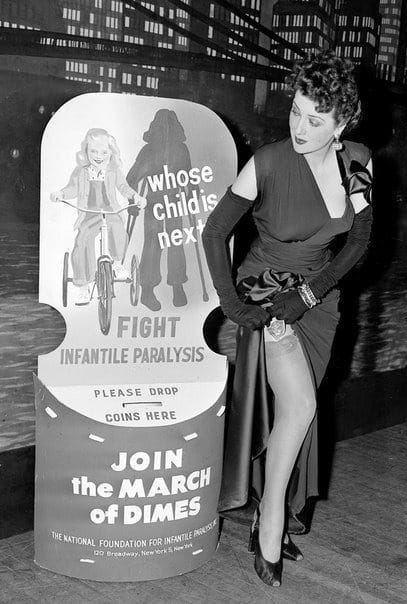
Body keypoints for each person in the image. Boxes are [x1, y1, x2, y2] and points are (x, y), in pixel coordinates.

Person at [202, 50, 373, 588]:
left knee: (296, 414)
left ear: (342, 124)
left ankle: (266, 508)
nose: (299, 127)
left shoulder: (359, 162)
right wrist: (233, 305)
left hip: (318, 300)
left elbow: (359, 242)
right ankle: (270, 518)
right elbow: (214, 232)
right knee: (299, 406)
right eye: (296, 111)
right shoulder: (268, 163)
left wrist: (313, 293)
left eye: (315, 120)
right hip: (269, 291)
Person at [51, 128, 146, 305]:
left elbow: (124, 188)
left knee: (118, 229)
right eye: (93, 151)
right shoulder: (81, 172)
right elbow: (72, 188)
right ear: (86, 151)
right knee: (82, 241)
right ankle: (83, 286)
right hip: (89, 212)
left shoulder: (113, 171)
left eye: (103, 152)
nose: (98, 156)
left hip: (110, 210)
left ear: (111, 153)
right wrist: (61, 194)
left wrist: (136, 197)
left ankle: (117, 264)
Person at [126, 109, 191, 311]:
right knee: (153, 243)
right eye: (162, 128)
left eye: (169, 127)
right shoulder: (149, 151)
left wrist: (191, 194)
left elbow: (189, 176)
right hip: (154, 202)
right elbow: (132, 178)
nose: (166, 132)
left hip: (175, 203)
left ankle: (177, 284)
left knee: (175, 241)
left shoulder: (181, 150)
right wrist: (132, 202)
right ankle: (147, 289)